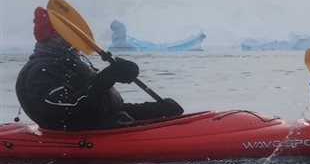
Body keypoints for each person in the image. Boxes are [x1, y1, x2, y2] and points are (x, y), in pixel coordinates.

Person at [15, 7, 184, 131]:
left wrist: (155, 110)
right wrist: (106, 78)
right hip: (80, 141)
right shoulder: (40, 72)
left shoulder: (73, 63)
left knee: (167, 110)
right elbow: (71, 112)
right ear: (51, 37)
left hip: (108, 128)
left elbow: (107, 109)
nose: (71, 41)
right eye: (63, 35)